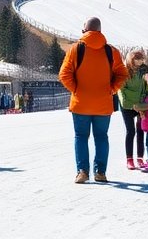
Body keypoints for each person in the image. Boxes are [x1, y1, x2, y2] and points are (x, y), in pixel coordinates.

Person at [58, 17, 129, 183]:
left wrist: (76, 89)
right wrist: (111, 89)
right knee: (101, 137)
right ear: (99, 31)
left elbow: (64, 74)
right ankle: (100, 172)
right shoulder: (112, 51)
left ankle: (82, 171)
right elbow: (122, 74)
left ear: (85, 30)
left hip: (80, 103)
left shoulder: (75, 49)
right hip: (103, 104)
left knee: (81, 137)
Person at [117, 49, 148, 170]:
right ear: (131, 59)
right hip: (127, 106)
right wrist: (129, 104)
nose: (140, 62)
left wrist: (142, 102)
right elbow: (121, 90)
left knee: (141, 130)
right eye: (137, 59)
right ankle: (129, 159)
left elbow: (145, 88)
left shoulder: (143, 71)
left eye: (141, 59)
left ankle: (140, 158)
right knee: (130, 131)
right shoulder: (124, 71)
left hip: (140, 104)